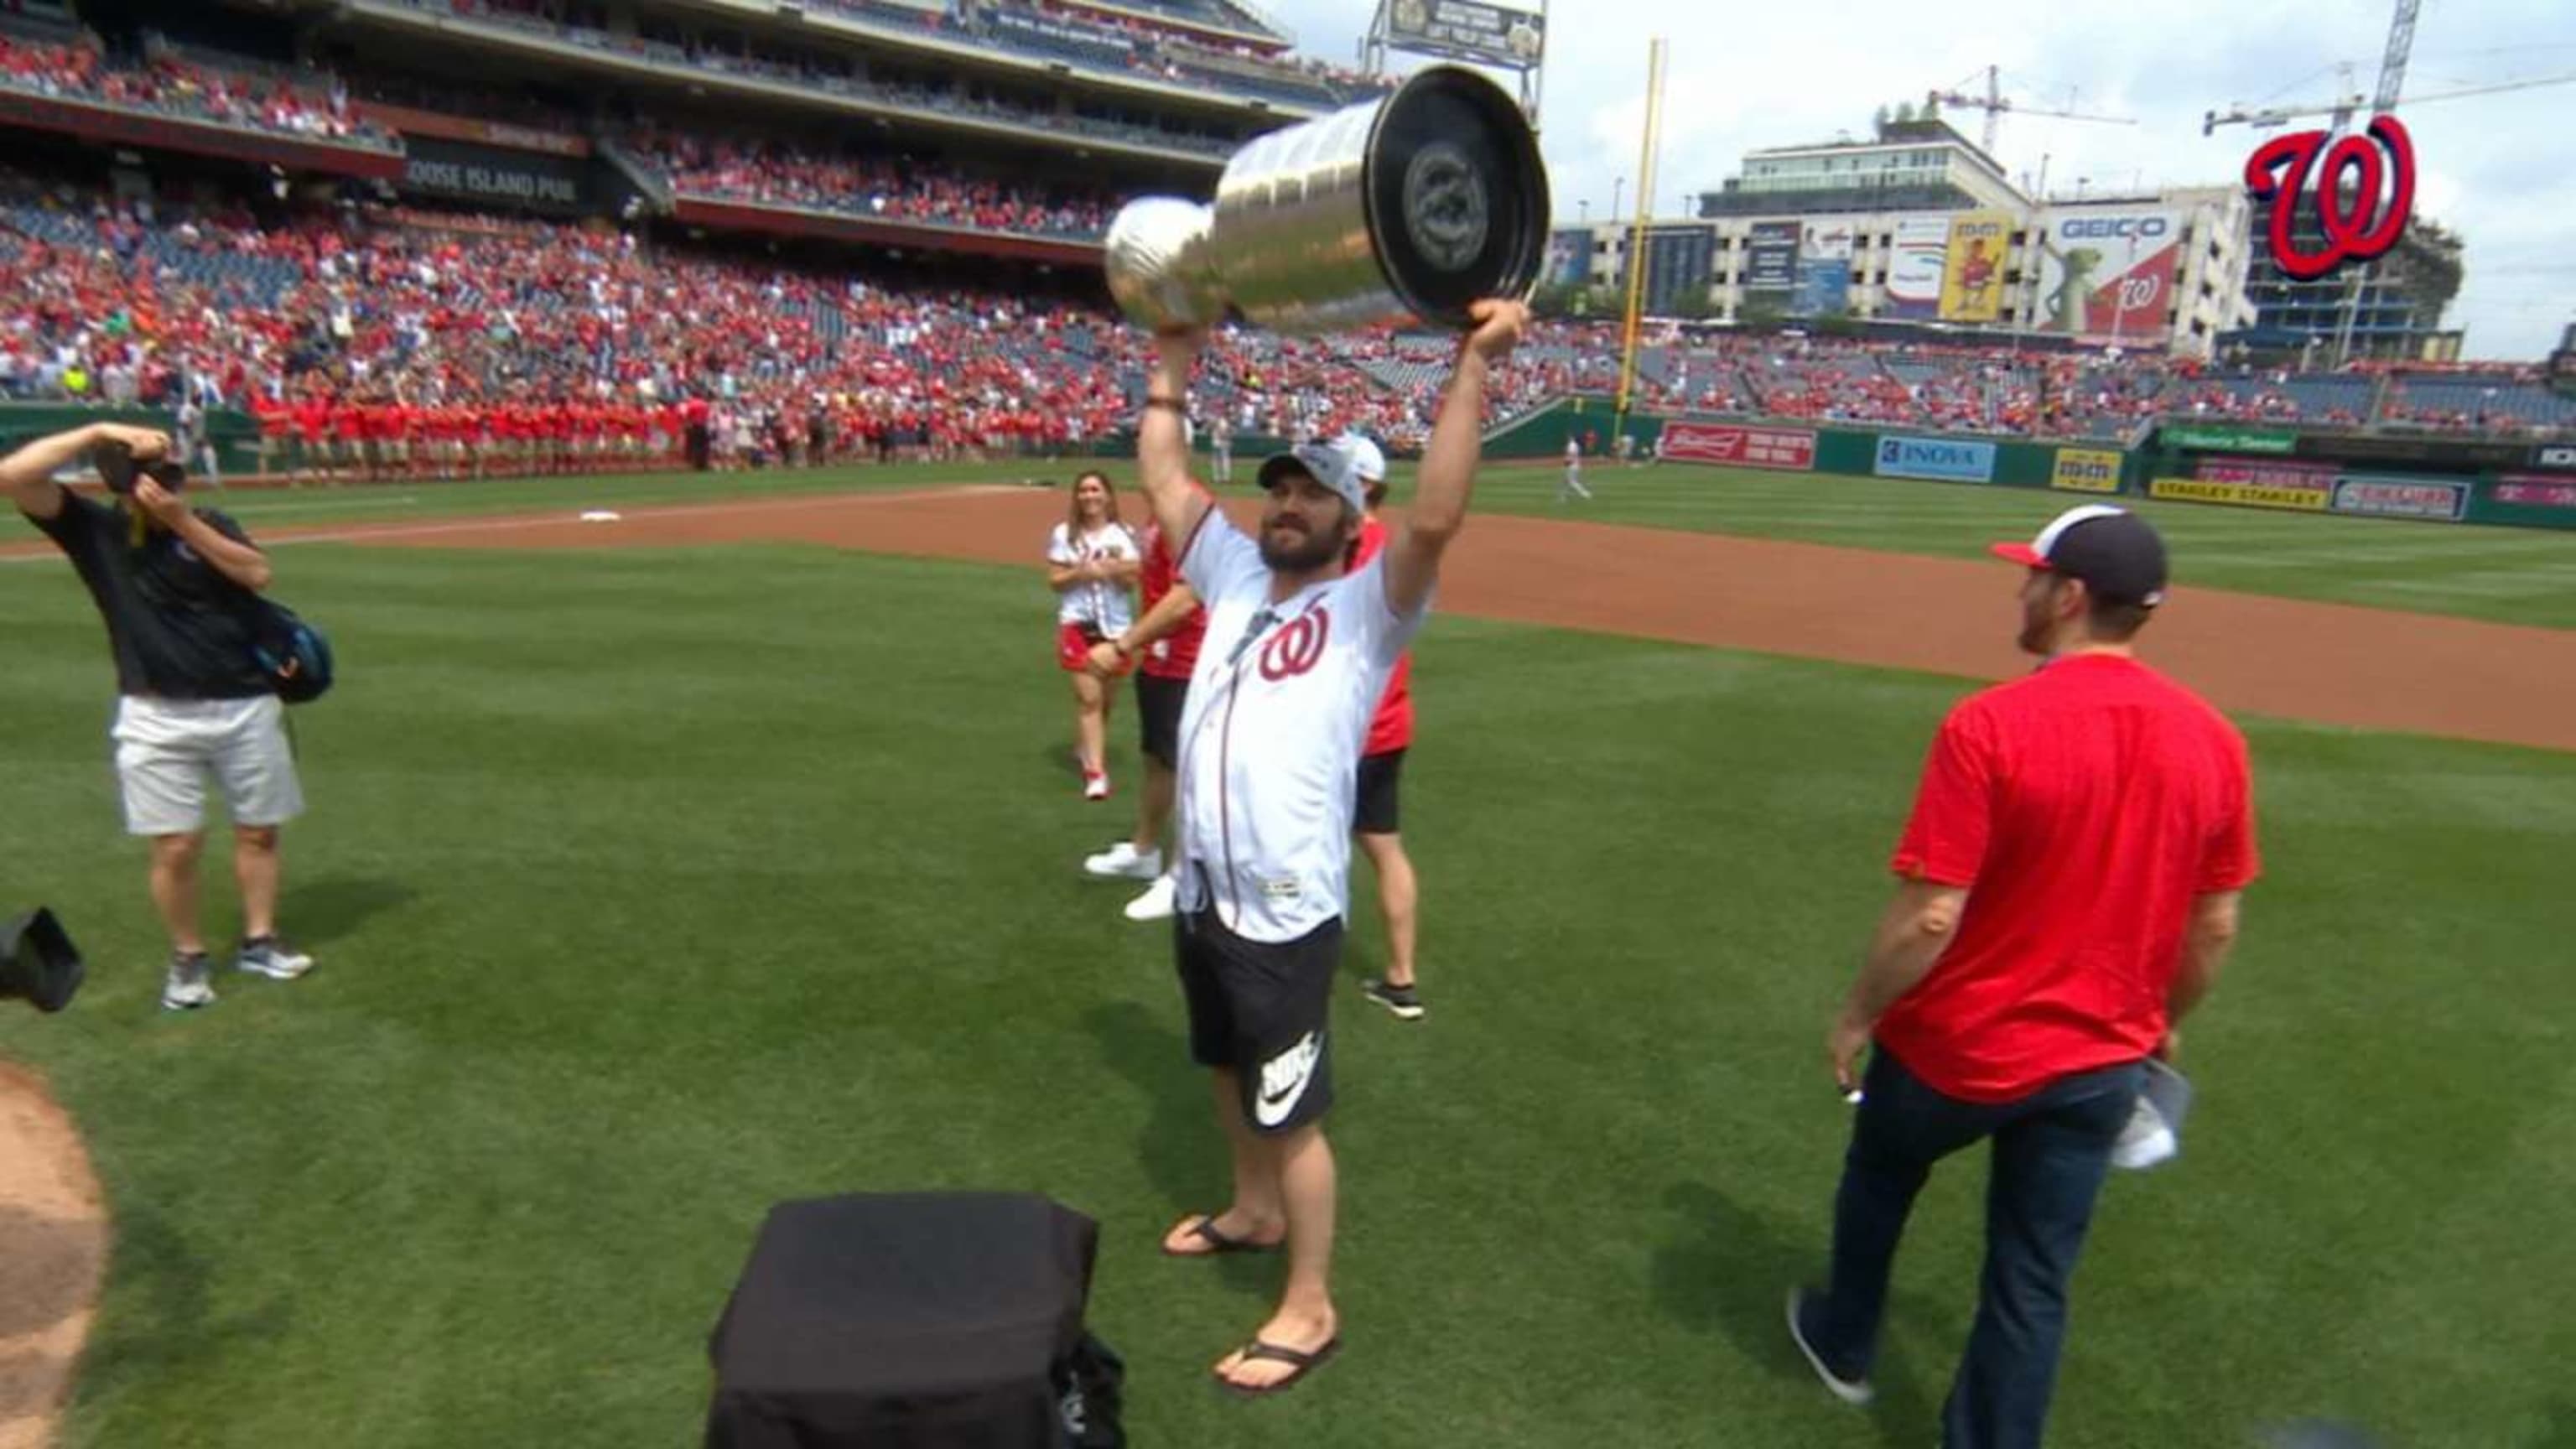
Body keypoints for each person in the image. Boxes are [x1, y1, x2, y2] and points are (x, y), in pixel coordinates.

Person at [1786, 504, 2258, 1449]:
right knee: (2032, 1277)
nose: (2022, 589)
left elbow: (1931, 914)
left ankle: (1845, 1343)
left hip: (1957, 1047)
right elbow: (2213, 925)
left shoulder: (1990, 724)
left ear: (2071, 596)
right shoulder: (2214, 738)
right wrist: (2163, 1018)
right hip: (2097, 1062)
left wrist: (1856, 1013)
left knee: (1880, 1177)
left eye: (2033, 576)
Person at [1131, 298, 1527, 1394]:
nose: (1291, 503)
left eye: (1316, 491)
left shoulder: (1370, 607)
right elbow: (1165, 477)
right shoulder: (1231, 571)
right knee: (1222, 1063)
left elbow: (1439, 519)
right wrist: (1171, 360)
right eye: (1283, 487)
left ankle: (1310, 1306)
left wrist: (1470, 369)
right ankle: (1252, 1211)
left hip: (1287, 908)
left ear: (1356, 517)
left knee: (1291, 1111)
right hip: (1205, 887)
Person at [3, 423, 319, 1011]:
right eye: (151, 479)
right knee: (175, 846)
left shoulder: (211, 523)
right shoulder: (97, 530)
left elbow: (256, 573)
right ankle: (188, 956)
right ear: (124, 486)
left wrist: (182, 522)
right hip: (154, 712)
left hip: (243, 702)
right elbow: (14, 476)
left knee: (259, 830)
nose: (164, 486)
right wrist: (97, 431)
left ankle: (259, 940)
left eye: (169, 476)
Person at [1079, 475, 1210, 922]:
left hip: (1188, 659)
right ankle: (1145, 850)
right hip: (1160, 658)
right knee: (1157, 758)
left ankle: (1181, 876)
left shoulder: (1189, 509)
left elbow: (1185, 598)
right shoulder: (1159, 511)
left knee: (1189, 771)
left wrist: (1122, 644)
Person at [1339, 436, 1425, 1021]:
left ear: (1363, 484)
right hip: (1388, 721)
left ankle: (1296, 957)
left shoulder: (1349, 549)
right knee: (1385, 849)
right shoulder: (1391, 551)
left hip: (1346, 729)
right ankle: (1401, 977)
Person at [1045, 470, 1141, 801]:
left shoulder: (1123, 535)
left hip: (1115, 628)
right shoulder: (1064, 535)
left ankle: (1084, 744)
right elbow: (1055, 581)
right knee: (1089, 699)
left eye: (1095, 490)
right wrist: (1080, 572)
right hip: (1078, 624)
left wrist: (1115, 571)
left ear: (1108, 496)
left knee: (1106, 701)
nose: (1089, 496)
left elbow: (1131, 582)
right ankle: (1096, 773)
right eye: (1083, 490)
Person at [1560, 432, 1592, 502]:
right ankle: (1563, 497)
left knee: (1572, 482)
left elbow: (1571, 455)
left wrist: (1567, 463)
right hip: (1575, 465)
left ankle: (1585, 493)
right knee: (1566, 481)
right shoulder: (1574, 445)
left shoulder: (1572, 445)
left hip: (1572, 465)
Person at [1209, 410, 1233, 485]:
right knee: (1217, 461)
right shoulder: (1215, 420)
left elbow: (1227, 432)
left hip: (1223, 443)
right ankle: (1218, 478)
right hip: (1217, 443)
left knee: (1224, 460)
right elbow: (1209, 429)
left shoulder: (1226, 421)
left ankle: (1225, 478)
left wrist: (1223, 434)